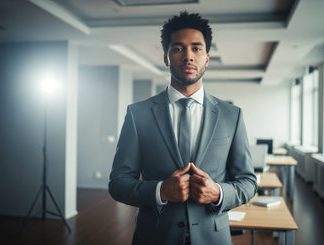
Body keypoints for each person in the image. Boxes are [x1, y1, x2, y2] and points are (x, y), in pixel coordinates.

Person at [109, 11, 257, 245]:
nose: (188, 56)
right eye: (178, 48)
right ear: (166, 57)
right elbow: (118, 183)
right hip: (155, 236)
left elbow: (248, 182)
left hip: (213, 237)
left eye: (196, 48)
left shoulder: (232, 115)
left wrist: (218, 193)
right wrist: (161, 191)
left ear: (207, 57)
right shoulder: (138, 114)